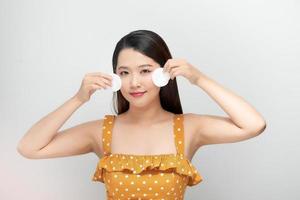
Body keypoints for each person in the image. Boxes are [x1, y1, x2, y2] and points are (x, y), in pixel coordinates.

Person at [17, 29, 267, 199]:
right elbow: (29, 147)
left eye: (145, 70)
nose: (134, 82)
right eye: (124, 73)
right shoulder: (101, 132)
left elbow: (253, 125)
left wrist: (198, 78)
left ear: (164, 74)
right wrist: (78, 99)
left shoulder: (189, 128)